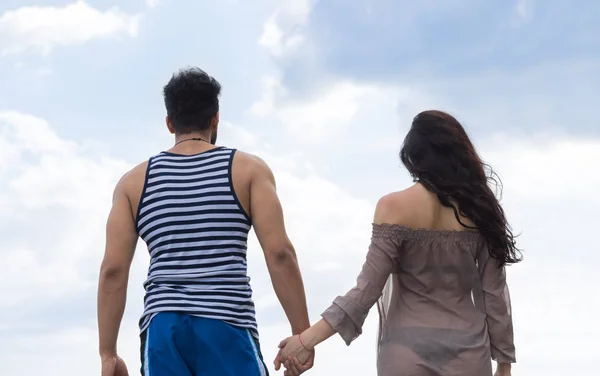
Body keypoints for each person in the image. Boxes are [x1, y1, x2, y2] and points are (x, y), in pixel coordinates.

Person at [97, 67, 314, 376]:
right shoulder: (248, 170)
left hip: (163, 327)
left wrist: (108, 354)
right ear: (215, 118)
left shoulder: (133, 183)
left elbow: (112, 271)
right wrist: (302, 334)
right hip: (226, 324)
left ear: (170, 122)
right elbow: (279, 253)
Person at [275, 110, 521, 376]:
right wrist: (504, 363)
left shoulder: (394, 207)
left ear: (414, 160)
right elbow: (495, 295)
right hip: (469, 352)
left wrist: (306, 340)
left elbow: (366, 290)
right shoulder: (481, 210)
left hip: (406, 351)